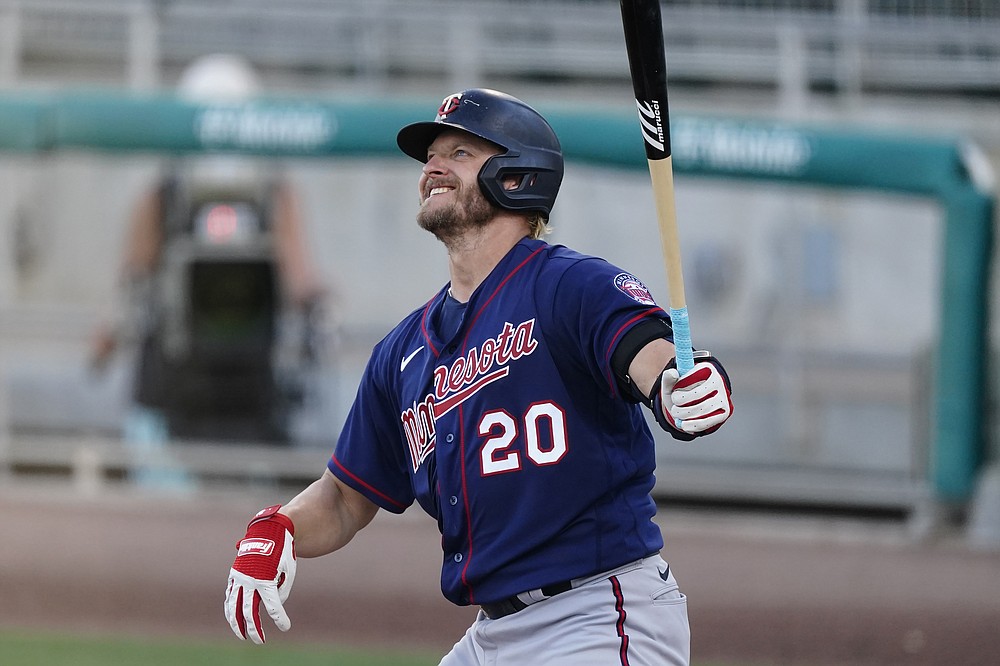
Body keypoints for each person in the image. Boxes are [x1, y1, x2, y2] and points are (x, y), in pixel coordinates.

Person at [224, 88, 733, 665]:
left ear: (519, 176)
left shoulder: (568, 285)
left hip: (598, 614)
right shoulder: (402, 352)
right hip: (494, 634)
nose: (433, 167)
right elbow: (345, 498)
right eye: (431, 156)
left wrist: (677, 386)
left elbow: (649, 356)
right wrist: (280, 527)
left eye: (460, 152)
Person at [90, 55, 326, 482]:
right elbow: (133, 279)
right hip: (179, 382)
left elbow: (299, 281)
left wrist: (316, 309)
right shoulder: (166, 194)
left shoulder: (270, 194)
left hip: (246, 384)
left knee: (240, 518)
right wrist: (109, 333)